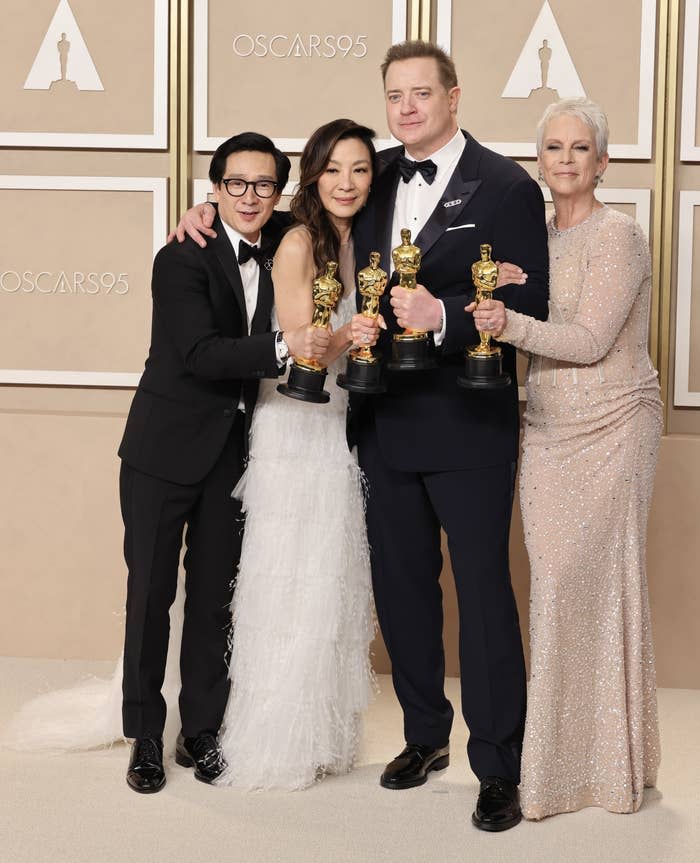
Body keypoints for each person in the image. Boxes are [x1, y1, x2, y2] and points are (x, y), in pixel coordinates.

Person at [176, 40, 549, 830]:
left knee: (482, 595)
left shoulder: (510, 185)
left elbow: (534, 307)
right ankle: (424, 738)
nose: (407, 107)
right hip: (376, 423)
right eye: (395, 94)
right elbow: (295, 215)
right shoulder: (371, 173)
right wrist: (208, 209)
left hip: (468, 423)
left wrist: (446, 317)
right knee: (404, 589)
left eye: (422, 92)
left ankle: (499, 766)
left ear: (455, 95)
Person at [117, 131, 329, 794]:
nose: (249, 196)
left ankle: (199, 731)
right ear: (213, 188)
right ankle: (145, 734)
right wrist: (285, 343)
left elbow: (316, 211)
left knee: (214, 600)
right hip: (162, 450)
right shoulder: (178, 258)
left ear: (278, 192)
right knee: (151, 595)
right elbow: (200, 356)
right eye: (235, 183)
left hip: (232, 458)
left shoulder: (282, 237)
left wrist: (286, 209)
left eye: (264, 184)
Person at [469, 98, 662, 819]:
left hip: (613, 428)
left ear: (602, 161)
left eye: (581, 148)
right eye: (553, 147)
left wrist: (509, 319)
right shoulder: (535, 241)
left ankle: (609, 768)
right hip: (547, 426)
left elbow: (588, 340)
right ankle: (552, 766)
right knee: (552, 587)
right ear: (541, 161)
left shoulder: (621, 238)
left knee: (603, 590)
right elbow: (543, 324)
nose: (566, 159)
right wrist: (513, 292)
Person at [215, 118, 379, 791]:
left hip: (344, 425)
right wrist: (352, 334)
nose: (346, 182)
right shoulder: (296, 240)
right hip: (294, 424)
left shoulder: (368, 240)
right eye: (333, 168)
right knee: (288, 579)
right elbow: (298, 343)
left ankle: (325, 731)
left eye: (360, 169)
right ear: (312, 175)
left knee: (331, 575)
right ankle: (277, 735)